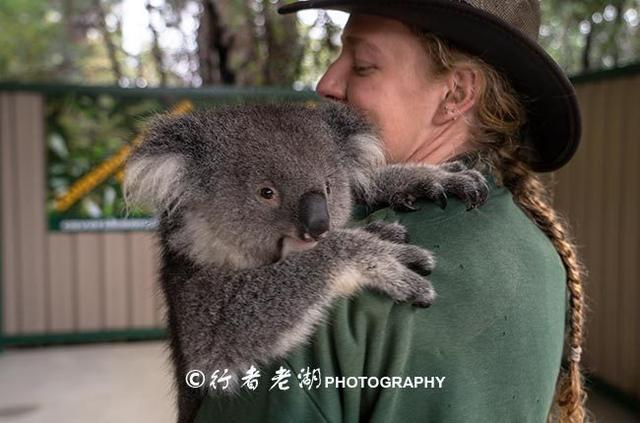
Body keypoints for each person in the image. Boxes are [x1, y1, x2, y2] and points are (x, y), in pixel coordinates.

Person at [194, 1, 587, 422]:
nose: (327, 82)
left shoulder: (321, 295)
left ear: (456, 93)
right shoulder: (540, 254)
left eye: (363, 65)